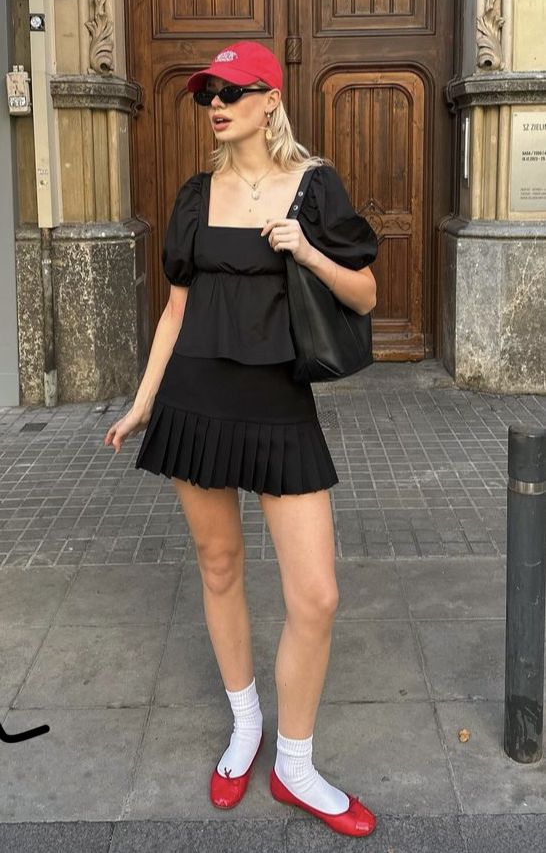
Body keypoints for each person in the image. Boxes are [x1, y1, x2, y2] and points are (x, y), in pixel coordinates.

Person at [104, 41, 378, 837]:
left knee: (317, 595)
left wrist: (306, 248)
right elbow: (175, 312)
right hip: (195, 401)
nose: (216, 105)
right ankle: (246, 723)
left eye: (229, 91)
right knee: (219, 566)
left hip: (279, 404)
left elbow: (365, 292)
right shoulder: (196, 196)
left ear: (270, 99)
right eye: (206, 95)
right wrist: (142, 404)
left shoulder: (315, 186)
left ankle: (296, 764)